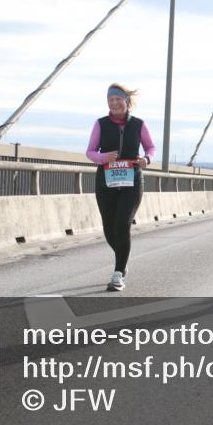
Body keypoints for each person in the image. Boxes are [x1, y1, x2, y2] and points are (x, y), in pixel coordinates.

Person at [85, 83, 156, 292]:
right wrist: (103, 157)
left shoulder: (139, 124)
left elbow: (150, 147)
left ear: (126, 101)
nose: (114, 103)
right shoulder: (100, 124)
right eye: (111, 100)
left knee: (122, 224)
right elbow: (90, 151)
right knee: (109, 228)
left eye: (118, 99)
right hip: (106, 180)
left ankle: (118, 273)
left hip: (132, 180)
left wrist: (147, 159)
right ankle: (123, 258)